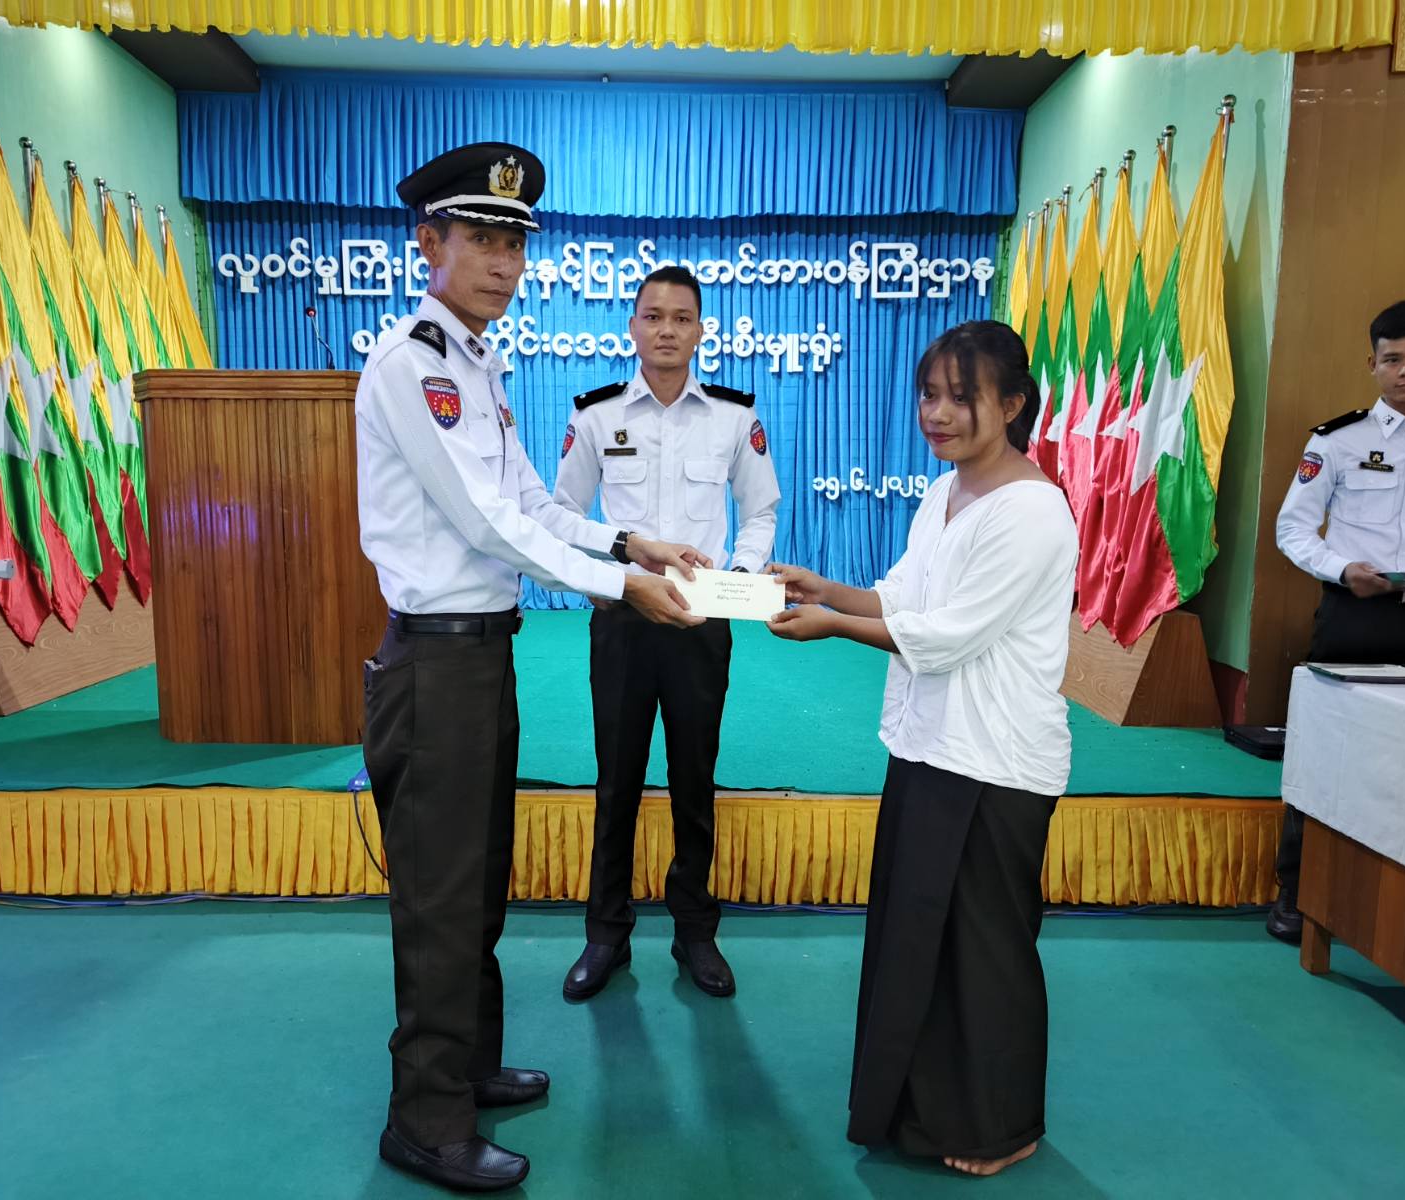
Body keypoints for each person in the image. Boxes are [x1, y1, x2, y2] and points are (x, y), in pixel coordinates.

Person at [355, 142, 711, 1193]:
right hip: (434, 667)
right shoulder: (412, 363)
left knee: (477, 885)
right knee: (439, 898)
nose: (505, 264)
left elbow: (535, 507)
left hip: (481, 660)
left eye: (515, 244)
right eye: (482, 240)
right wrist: (620, 587)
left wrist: (628, 543)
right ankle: (424, 1120)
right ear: (428, 243)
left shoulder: (478, 367)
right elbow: (486, 523)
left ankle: (466, 1068)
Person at [768, 320, 1077, 1178]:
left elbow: (947, 636)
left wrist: (832, 626)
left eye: (961, 397)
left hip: (996, 763)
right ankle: (924, 1110)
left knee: (985, 951)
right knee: (920, 942)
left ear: (1012, 405)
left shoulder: (1032, 510)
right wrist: (828, 590)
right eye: (928, 394)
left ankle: (1002, 1125)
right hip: (928, 749)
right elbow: (905, 596)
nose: (937, 414)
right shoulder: (944, 491)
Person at [551, 266, 781, 1002]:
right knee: (616, 781)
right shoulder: (596, 416)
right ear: (632, 327)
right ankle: (605, 934)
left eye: (682, 318)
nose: (667, 330)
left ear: (702, 330)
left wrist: (734, 581)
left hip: (698, 624)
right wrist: (611, 570)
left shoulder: (733, 417)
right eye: (653, 316)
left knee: (693, 780)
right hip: (623, 619)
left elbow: (761, 511)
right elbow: (562, 514)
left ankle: (695, 932)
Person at [1269, 297, 1405, 943]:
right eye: (1393, 359)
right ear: (1372, 365)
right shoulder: (1338, 441)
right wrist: (1343, 567)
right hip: (1355, 618)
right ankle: (1298, 892)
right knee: (1330, 753)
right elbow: (1293, 529)